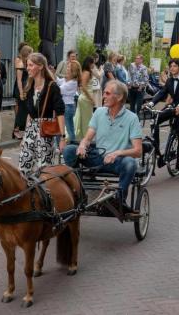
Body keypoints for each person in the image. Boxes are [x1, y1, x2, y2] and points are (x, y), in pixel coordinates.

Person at [63, 80, 142, 212]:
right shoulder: (99, 112)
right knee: (69, 150)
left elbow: (138, 151)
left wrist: (117, 153)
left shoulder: (132, 118)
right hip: (98, 158)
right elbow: (88, 137)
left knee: (130, 163)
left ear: (119, 97)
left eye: (107, 93)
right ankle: (76, 190)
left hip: (117, 161)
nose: (103, 96)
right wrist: (82, 145)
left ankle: (119, 200)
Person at [18, 52, 65, 175]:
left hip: (45, 132)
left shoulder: (52, 86)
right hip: (30, 130)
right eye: (27, 65)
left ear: (40, 66)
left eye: (31, 65)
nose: (27, 68)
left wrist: (62, 137)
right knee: (24, 165)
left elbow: (60, 113)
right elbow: (30, 114)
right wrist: (25, 136)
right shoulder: (29, 86)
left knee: (44, 169)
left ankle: (45, 193)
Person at [148, 58, 179, 180]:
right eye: (171, 66)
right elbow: (162, 93)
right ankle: (157, 151)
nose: (172, 68)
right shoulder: (169, 80)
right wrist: (151, 103)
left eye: (174, 66)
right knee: (155, 119)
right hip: (172, 108)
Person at [56, 60, 81, 143]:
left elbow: (59, 90)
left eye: (68, 67)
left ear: (73, 71)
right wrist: (52, 73)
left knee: (67, 127)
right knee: (63, 126)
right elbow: (59, 81)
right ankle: (61, 144)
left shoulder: (72, 83)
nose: (66, 69)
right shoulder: (66, 80)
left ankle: (72, 143)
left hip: (67, 107)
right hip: (66, 106)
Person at [12, 45, 33, 140]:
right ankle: (16, 131)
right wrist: (21, 92)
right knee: (21, 110)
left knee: (25, 110)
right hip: (21, 88)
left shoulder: (26, 63)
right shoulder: (20, 64)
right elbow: (19, 80)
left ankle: (21, 130)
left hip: (26, 88)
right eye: (31, 53)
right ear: (27, 53)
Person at [74, 56, 95, 141]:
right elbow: (83, 86)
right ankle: (85, 136)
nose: (94, 64)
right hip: (86, 98)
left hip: (85, 97)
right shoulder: (87, 72)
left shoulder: (86, 72)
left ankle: (83, 135)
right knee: (87, 118)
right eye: (93, 63)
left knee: (84, 117)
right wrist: (91, 98)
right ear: (90, 63)